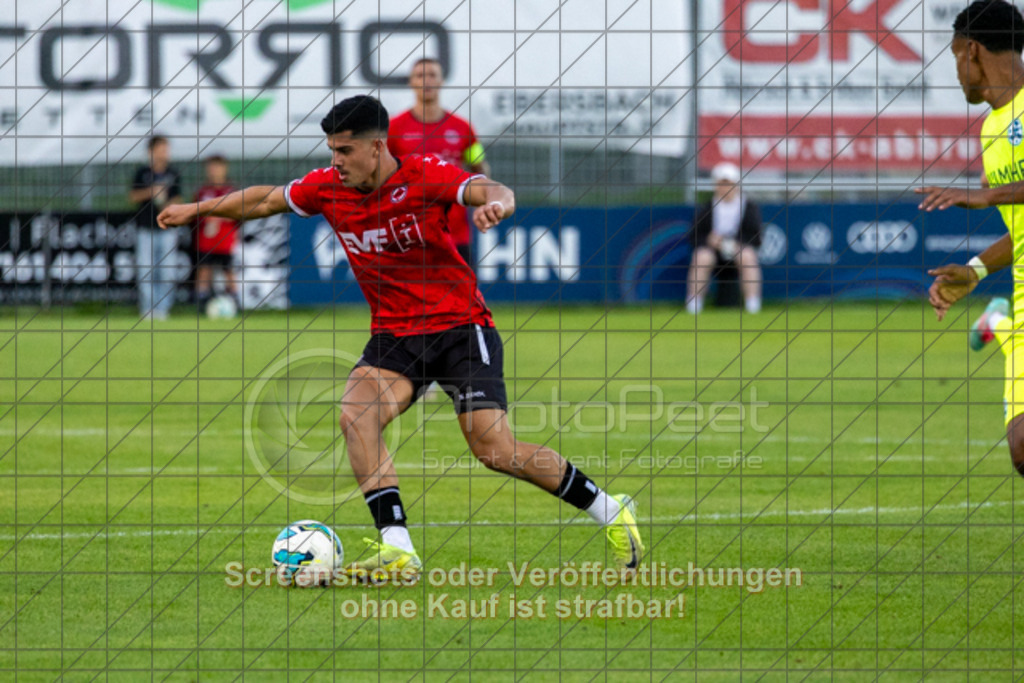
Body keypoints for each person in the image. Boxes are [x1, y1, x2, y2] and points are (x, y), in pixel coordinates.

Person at [157, 95, 644, 582]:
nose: (335, 161)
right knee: (356, 415)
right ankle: (398, 549)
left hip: (459, 327)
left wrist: (500, 202)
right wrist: (197, 210)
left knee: (494, 449)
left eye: (345, 150)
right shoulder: (327, 188)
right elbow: (264, 199)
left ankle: (608, 509)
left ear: (377, 146)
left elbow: (485, 186)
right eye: (331, 149)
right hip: (395, 336)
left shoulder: (423, 174)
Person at [918, 0, 1024, 480]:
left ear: (972, 51)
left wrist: (986, 196)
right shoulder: (990, 130)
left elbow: (1000, 197)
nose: (957, 72)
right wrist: (977, 269)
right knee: (1021, 447)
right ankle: (1000, 322)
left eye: (955, 56)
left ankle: (997, 326)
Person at [388, 57, 489, 267]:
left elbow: (479, 168)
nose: (426, 81)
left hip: (455, 235)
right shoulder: (394, 129)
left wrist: (485, 200)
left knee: (465, 300)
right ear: (411, 82)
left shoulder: (464, 129)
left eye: (432, 75)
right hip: (410, 235)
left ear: (441, 81)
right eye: (420, 75)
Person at [686, 162, 763, 314]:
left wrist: (735, 243)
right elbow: (694, 236)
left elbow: (756, 236)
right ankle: (694, 304)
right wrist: (710, 240)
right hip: (713, 251)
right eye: (721, 184)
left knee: (747, 256)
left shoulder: (749, 207)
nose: (725, 188)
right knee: (701, 257)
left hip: (737, 249)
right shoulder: (707, 207)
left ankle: (752, 304)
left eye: (729, 184)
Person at [130, 135, 182, 320]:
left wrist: (165, 202)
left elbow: (178, 200)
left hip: (167, 229)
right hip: (145, 228)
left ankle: (163, 310)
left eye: (165, 149)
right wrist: (151, 192)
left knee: (167, 270)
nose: (164, 153)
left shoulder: (173, 173)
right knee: (146, 270)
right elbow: (133, 196)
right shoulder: (142, 173)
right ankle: (148, 309)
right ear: (150, 151)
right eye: (160, 149)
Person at [192, 155, 240, 310]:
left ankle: (235, 302)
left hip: (226, 240)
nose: (214, 171)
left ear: (224, 169)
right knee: (204, 270)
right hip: (205, 241)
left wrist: (219, 219)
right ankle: (201, 303)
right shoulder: (202, 192)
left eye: (217, 167)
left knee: (228, 271)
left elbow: (240, 214)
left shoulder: (231, 191)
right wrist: (206, 221)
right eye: (211, 168)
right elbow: (194, 214)